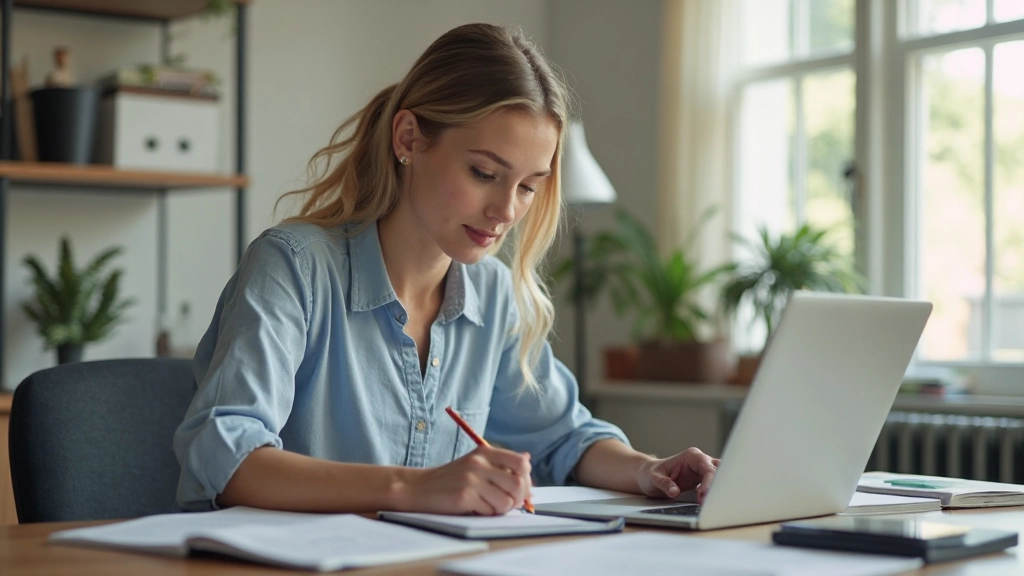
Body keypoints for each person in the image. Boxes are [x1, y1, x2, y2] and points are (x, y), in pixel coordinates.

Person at [173, 23, 718, 515]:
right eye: (484, 172)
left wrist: (649, 471)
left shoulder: (493, 295)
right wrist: (414, 488)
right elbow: (227, 450)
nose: (507, 211)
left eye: (529, 186)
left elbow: (565, 437)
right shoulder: (292, 267)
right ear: (409, 138)